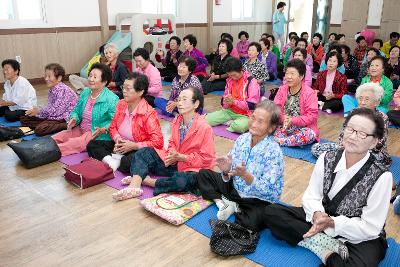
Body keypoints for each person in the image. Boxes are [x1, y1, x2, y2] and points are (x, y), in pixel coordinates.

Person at [263, 108, 392, 266]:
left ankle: (321, 247)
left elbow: (371, 227)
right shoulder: (327, 158)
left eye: (362, 133)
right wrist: (317, 214)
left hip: (357, 233)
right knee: (272, 212)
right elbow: (312, 196)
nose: (352, 136)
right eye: (350, 129)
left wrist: (333, 223)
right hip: (322, 217)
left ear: (374, 141)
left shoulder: (382, 176)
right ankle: (324, 247)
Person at [112, 87, 215, 200]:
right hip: (175, 162)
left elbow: (208, 159)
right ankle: (134, 186)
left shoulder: (204, 127)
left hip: (193, 168)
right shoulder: (177, 120)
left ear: (196, 104)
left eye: (184, 99)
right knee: (144, 152)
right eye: (179, 99)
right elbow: (172, 142)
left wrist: (182, 157)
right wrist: (172, 153)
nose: (179, 103)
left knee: (183, 181)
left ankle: (146, 180)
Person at [197, 100, 284, 231]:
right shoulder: (242, 139)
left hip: (256, 199)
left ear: (271, 128)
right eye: (252, 118)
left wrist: (247, 176)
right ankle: (222, 204)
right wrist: (226, 171)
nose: (253, 124)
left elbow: (269, 191)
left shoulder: (274, 151)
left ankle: (233, 205)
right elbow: (231, 169)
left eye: (260, 121)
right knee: (204, 175)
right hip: (235, 188)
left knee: (251, 223)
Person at [86, 72, 164, 173]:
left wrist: (133, 145)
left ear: (140, 92)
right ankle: (112, 161)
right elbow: (113, 126)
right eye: (123, 87)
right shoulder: (121, 104)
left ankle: (114, 159)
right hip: (121, 144)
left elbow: (158, 142)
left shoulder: (149, 113)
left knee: (127, 163)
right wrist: (117, 139)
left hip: (138, 149)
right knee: (92, 145)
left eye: (128, 88)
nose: (124, 91)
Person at [312, 83, 392, 169]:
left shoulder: (382, 118)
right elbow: (343, 132)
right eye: (360, 98)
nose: (363, 102)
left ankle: (347, 161)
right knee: (316, 148)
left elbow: (379, 143)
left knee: (373, 162)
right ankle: (347, 160)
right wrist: (343, 144)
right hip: (349, 147)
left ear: (377, 102)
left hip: (370, 151)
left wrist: (357, 147)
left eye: (367, 99)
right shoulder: (353, 112)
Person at [52, 63, 119, 156]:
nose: (91, 79)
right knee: (58, 137)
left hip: (96, 133)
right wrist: (74, 118)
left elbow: (117, 121)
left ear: (104, 81)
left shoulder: (112, 99)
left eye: (95, 77)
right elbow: (76, 110)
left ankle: (46, 153)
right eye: (90, 76)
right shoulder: (86, 92)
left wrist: (103, 129)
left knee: (71, 144)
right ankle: (41, 147)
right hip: (81, 128)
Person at [205, 57, 260, 133]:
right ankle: (232, 121)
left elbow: (252, 105)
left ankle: (234, 122)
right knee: (206, 120)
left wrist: (234, 102)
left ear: (241, 70)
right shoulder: (230, 80)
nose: (232, 77)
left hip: (246, 114)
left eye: (234, 75)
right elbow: (223, 101)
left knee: (238, 127)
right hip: (230, 111)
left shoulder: (251, 81)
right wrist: (226, 101)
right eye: (230, 75)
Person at [20, 63, 77, 136]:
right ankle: (46, 124)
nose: (46, 79)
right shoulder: (53, 89)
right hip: (54, 116)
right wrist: (38, 112)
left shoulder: (62, 90)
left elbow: (56, 112)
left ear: (59, 78)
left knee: (40, 129)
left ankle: (68, 125)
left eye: (49, 76)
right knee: (24, 119)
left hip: (64, 118)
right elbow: (50, 107)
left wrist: (39, 111)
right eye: (45, 76)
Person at [273, 59, 319, 146]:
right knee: (268, 122)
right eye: (287, 73)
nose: (288, 77)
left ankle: (282, 141)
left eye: (292, 74)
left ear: (301, 76)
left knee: (309, 134)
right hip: (284, 125)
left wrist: (293, 120)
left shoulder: (310, 93)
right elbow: (276, 108)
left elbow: (312, 116)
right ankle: (287, 140)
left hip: (303, 128)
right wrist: (283, 118)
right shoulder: (282, 89)